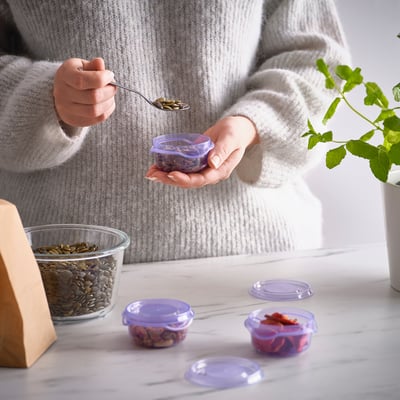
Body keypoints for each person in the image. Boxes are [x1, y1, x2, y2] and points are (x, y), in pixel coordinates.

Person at [0, 1, 350, 263]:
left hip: (257, 258)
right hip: (65, 266)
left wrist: (251, 124)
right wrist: (45, 96)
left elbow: (317, 58)